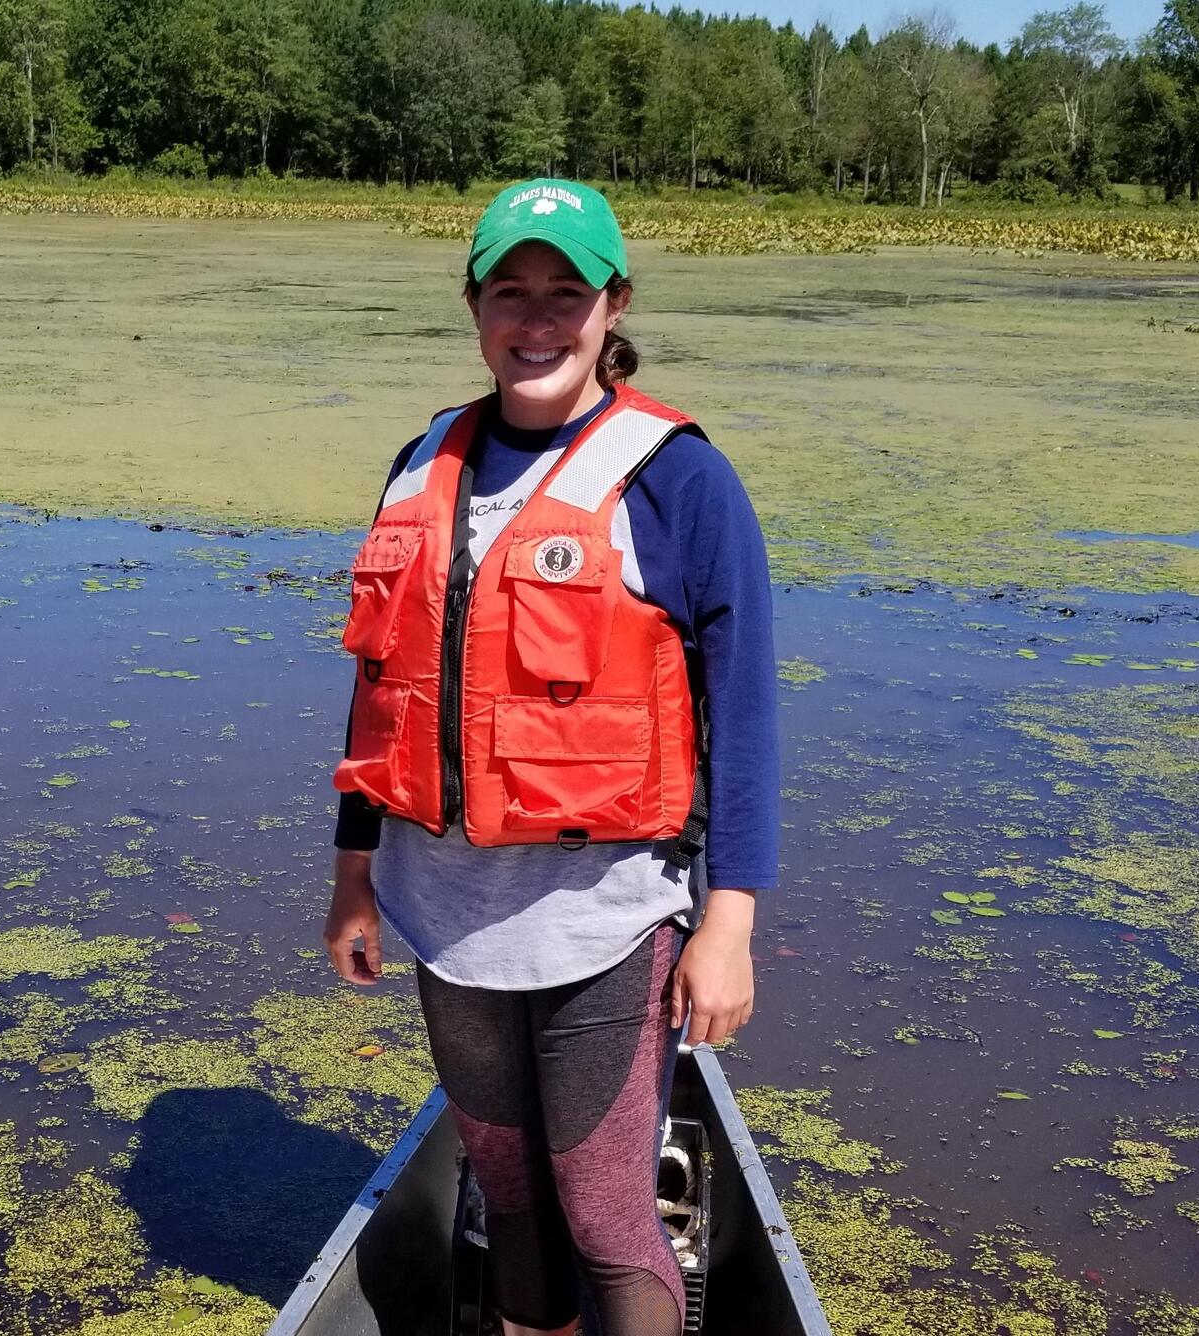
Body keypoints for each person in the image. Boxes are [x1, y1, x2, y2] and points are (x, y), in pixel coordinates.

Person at [323, 178, 779, 1336]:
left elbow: (747, 715)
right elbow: (383, 684)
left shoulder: (679, 480)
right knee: (510, 1198)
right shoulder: (421, 460)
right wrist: (353, 874)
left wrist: (727, 923)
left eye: (564, 292)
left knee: (609, 1216)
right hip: (448, 913)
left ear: (611, 303)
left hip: (605, 923)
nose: (536, 318)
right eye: (509, 290)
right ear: (474, 307)